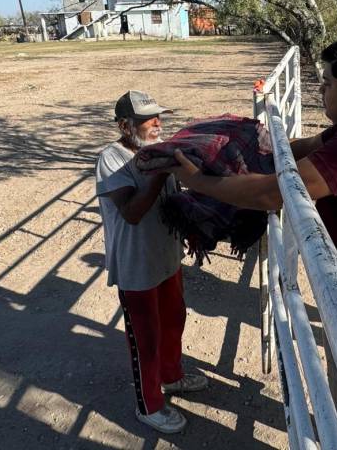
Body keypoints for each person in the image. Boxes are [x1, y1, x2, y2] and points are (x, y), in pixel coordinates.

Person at [165, 34, 337, 444]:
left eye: (328, 84)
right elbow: (306, 150)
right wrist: (265, 151)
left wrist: (202, 182)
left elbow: (272, 193)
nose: (322, 92)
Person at [95, 90, 207, 435]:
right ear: (125, 125)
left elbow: (174, 199)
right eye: (148, 119)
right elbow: (131, 212)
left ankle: (171, 376)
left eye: (159, 116)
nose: (158, 123)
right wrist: (160, 171)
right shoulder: (111, 158)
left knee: (175, 319)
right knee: (145, 338)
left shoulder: (157, 151)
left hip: (167, 258)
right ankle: (149, 405)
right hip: (137, 267)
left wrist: (192, 229)